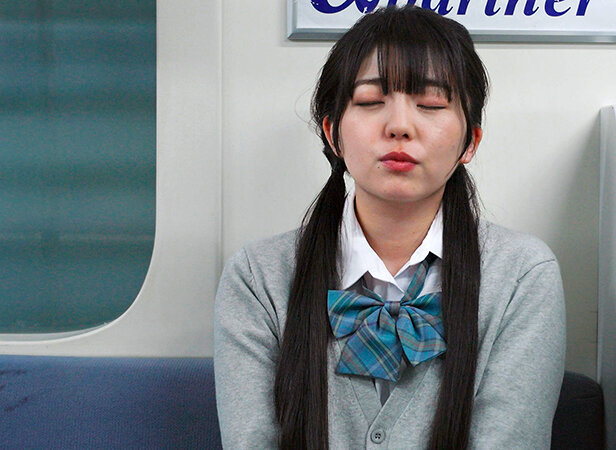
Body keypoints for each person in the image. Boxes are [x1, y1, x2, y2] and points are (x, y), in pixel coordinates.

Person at [214, 6, 565, 449]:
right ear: (332, 133)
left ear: (469, 142)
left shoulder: (522, 276)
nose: (399, 126)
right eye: (369, 101)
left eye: (431, 104)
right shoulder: (257, 278)